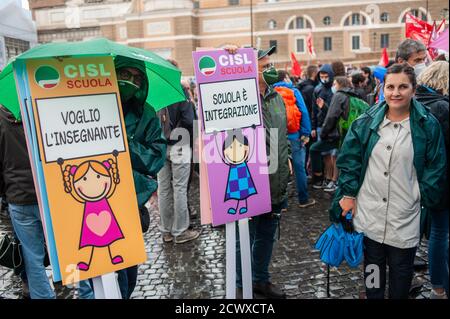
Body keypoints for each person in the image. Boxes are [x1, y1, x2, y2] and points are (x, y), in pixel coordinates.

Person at [329, 63, 447, 299]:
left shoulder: (427, 125)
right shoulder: (365, 122)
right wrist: (349, 195)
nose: (396, 92)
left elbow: (436, 167)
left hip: (404, 217)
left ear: (413, 90)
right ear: (383, 89)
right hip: (370, 216)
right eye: (390, 86)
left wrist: (420, 196)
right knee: (373, 274)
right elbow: (350, 160)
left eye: (403, 86)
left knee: (400, 279)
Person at [227, 45, 289, 299]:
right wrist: (227, 59)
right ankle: (242, 286)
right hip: (248, 182)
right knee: (245, 237)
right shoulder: (238, 98)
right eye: (264, 67)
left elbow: (281, 137)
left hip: (276, 181)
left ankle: (261, 280)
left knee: (267, 235)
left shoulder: (277, 97)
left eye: (270, 65)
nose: (270, 70)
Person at [114, 56, 167, 299]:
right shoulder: (91, 105)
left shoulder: (146, 113)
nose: (130, 82)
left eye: (137, 78)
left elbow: (157, 155)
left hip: (131, 201)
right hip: (93, 203)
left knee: (128, 270)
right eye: (125, 75)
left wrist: (124, 147)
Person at [0, 105, 55, 299]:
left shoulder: (1, 115)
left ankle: (43, 296)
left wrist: (5, 194)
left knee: (33, 258)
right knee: (68, 251)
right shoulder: (41, 106)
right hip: (51, 195)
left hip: (19, 197)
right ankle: (85, 289)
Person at [415, 61, 449, 299]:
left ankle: (437, 284)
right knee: (441, 232)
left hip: (423, 177)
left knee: (436, 232)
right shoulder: (443, 107)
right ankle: (441, 283)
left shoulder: (415, 103)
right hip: (442, 177)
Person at [157, 58, 199, 244]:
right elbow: (190, 121)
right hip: (180, 144)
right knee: (180, 188)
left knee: (164, 189)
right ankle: (180, 231)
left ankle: (166, 231)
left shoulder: (155, 91)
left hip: (159, 145)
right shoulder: (179, 90)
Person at [273, 70, 315, 208]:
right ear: (286, 78)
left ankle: (282, 204)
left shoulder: (271, 92)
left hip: (276, 135)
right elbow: (303, 112)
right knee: (299, 167)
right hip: (294, 134)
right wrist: (306, 133)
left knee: (280, 169)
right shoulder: (294, 91)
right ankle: (303, 200)